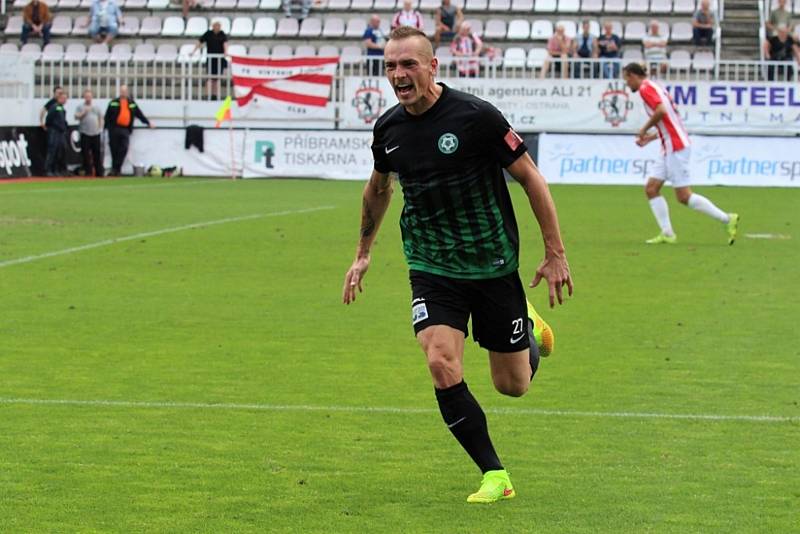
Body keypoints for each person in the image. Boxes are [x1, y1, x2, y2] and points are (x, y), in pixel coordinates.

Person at [343, 26, 571, 504]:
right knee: (440, 361)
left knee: (512, 386)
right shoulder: (388, 129)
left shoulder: (476, 117)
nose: (398, 75)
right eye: (390, 66)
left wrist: (555, 253)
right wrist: (363, 254)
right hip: (431, 265)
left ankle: (525, 322)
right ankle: (495, 474)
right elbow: (378, 189)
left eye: (408, 64)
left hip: (491, 263)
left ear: (432, 67)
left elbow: (530, 178)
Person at [622, 62, 739, 245]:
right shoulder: (655, 86)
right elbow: (668, 120)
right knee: (651, 189)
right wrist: (651, 138)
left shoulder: (645, 89)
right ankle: (668, 233)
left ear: (632, 75)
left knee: (684, 196)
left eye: (626, 80)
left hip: (676, 146)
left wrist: (643, 129)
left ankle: (727, 218)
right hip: (669, 144)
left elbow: (661, 112)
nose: (627, 85)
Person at [104, 84, 153, 176]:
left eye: (125, 91)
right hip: (114, 129)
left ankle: (116, 168)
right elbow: (107, 116)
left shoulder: (132, 103)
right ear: (120, 92)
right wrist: (105, 128)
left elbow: (139, 114)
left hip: (125, 129)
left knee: (124, 148)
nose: (123, 92)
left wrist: (148, 123)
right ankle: (115, 170)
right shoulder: (113, 102)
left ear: (127, 92)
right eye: (122, 91)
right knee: (114, 149)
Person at [193, 20, 229, 100]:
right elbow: (200, 41)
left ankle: (215, 95)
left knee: (217, 78)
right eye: (215, 25)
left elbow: (225, 44)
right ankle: (208, 95)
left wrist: (226, 52)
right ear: (213, 26)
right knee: (209, 78)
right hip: (210, 59)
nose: (217, 27)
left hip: (220, 59)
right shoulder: (208, 33)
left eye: (218, 25)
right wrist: (194, 51)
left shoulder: (222, 34)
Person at [75, 89, 104, 177]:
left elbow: (100, 117)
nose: (88, 98)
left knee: (97, 153)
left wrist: (100, 128)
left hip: (95, 133)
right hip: (85, 132)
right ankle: (88, 171)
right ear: (84, 97)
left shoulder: (96, 107)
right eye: (86, 97)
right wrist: (84, 112)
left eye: (89, 97)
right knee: (85, 153)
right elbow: (76, 117)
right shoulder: (80, 107)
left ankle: (99, 172)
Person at [44, 90, 67, 176]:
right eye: (63, 98)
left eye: (65, 98)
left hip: (60, 132)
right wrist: (50, 127)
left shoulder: (61, 108)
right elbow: (49, 118)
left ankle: (56, 169)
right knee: (52, 150)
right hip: (54, 131)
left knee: (59, 151)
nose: (65, 100)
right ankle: (48, 169)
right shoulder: (55, 107)